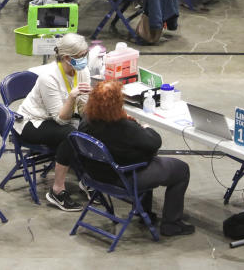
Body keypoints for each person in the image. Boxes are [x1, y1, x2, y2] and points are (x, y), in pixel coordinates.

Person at [79, 80, 195, 237]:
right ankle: (171, 224)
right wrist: (145, 127)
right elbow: (154, 142)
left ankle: (144, 211)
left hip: (94, 175)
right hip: (123, 178)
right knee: (181, 169)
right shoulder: (125, 127)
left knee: (146, 157)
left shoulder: (86, 121)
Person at [15, 33, 88, 212]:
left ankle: (87, 179)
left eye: (86, 54)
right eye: (80, 56)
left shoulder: (82, 71)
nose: (85, 59)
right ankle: (57, 190)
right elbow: (61, 120)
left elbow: (84, 110)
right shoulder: (49, 77)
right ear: (66, 58)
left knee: (93, 127)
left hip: (64, 117)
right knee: (70, 136)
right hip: (34, 121)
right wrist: (72, 97)